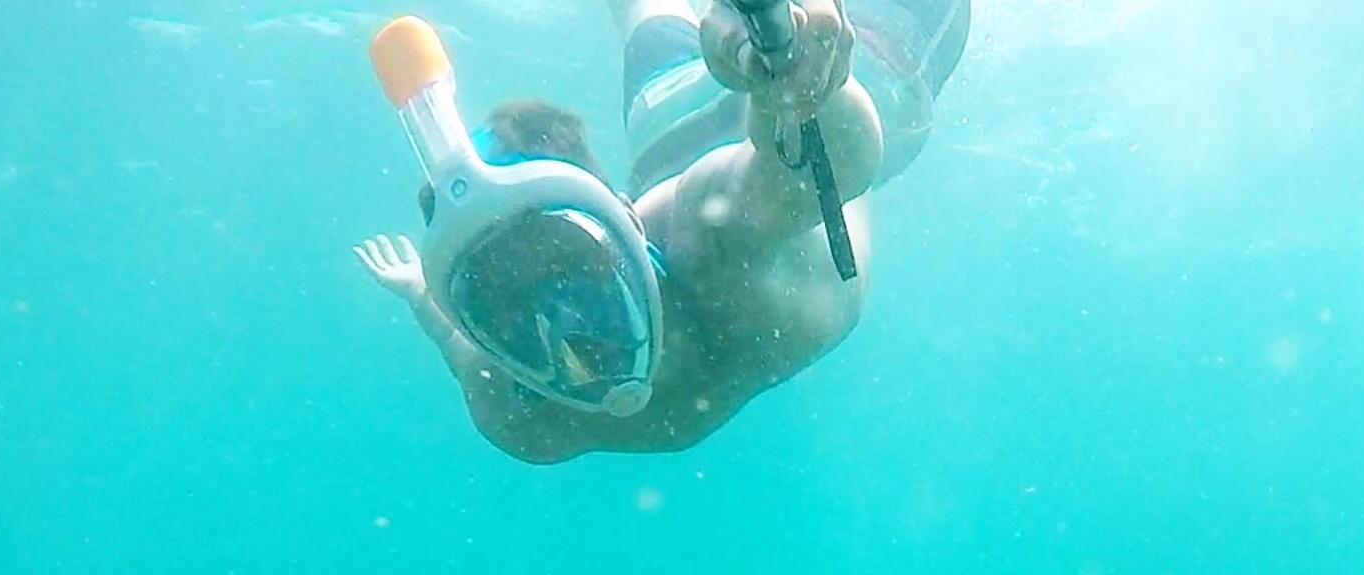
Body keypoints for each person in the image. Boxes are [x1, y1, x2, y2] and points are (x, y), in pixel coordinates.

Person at [356, 0, 970, 464]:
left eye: (572, 267)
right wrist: (417, 292)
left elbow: (822, 170)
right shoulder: (519, 416)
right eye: (505, 312)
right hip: (678, 117)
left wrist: (807, 85)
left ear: (623, 217)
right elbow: (457, 339)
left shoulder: (715, 243)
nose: (563, 333)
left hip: (749, 108)